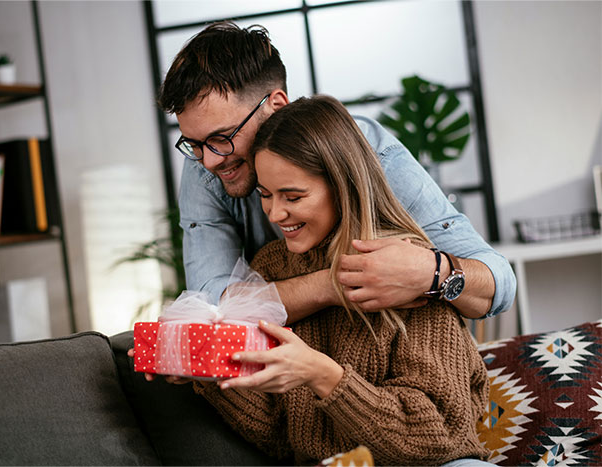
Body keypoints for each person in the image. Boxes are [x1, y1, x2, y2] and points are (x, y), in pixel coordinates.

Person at [191, 94, 491, 466]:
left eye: (293, 196)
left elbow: (440, 437)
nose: (275, 213)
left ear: (341, 184)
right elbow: (281, 437)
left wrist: (324, 375)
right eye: (265, 195)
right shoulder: (272, 267)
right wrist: (201, 367)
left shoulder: (405, 266)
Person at [159, 22, 516, 324]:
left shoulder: (369, 152)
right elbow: (211, 307)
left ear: (277, 105)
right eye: (193, 144)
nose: (208, 161)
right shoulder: (206, 166)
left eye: (223, 137)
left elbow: (497, 281)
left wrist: (431, 272)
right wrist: (336, 286)